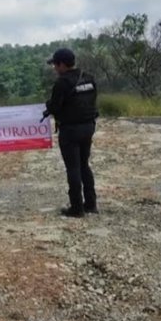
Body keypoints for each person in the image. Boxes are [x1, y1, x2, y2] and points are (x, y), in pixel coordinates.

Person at [44, 48, 99, 217]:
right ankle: (90, 204)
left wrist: (48, 106)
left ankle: (76, 208)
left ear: (61, 64)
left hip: (70, 130)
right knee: (84, 165)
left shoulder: (62, 83)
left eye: (55, 64)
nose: (54, 68)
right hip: (88, 127)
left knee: (73, 168)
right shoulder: (88, 78)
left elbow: (54, 107)